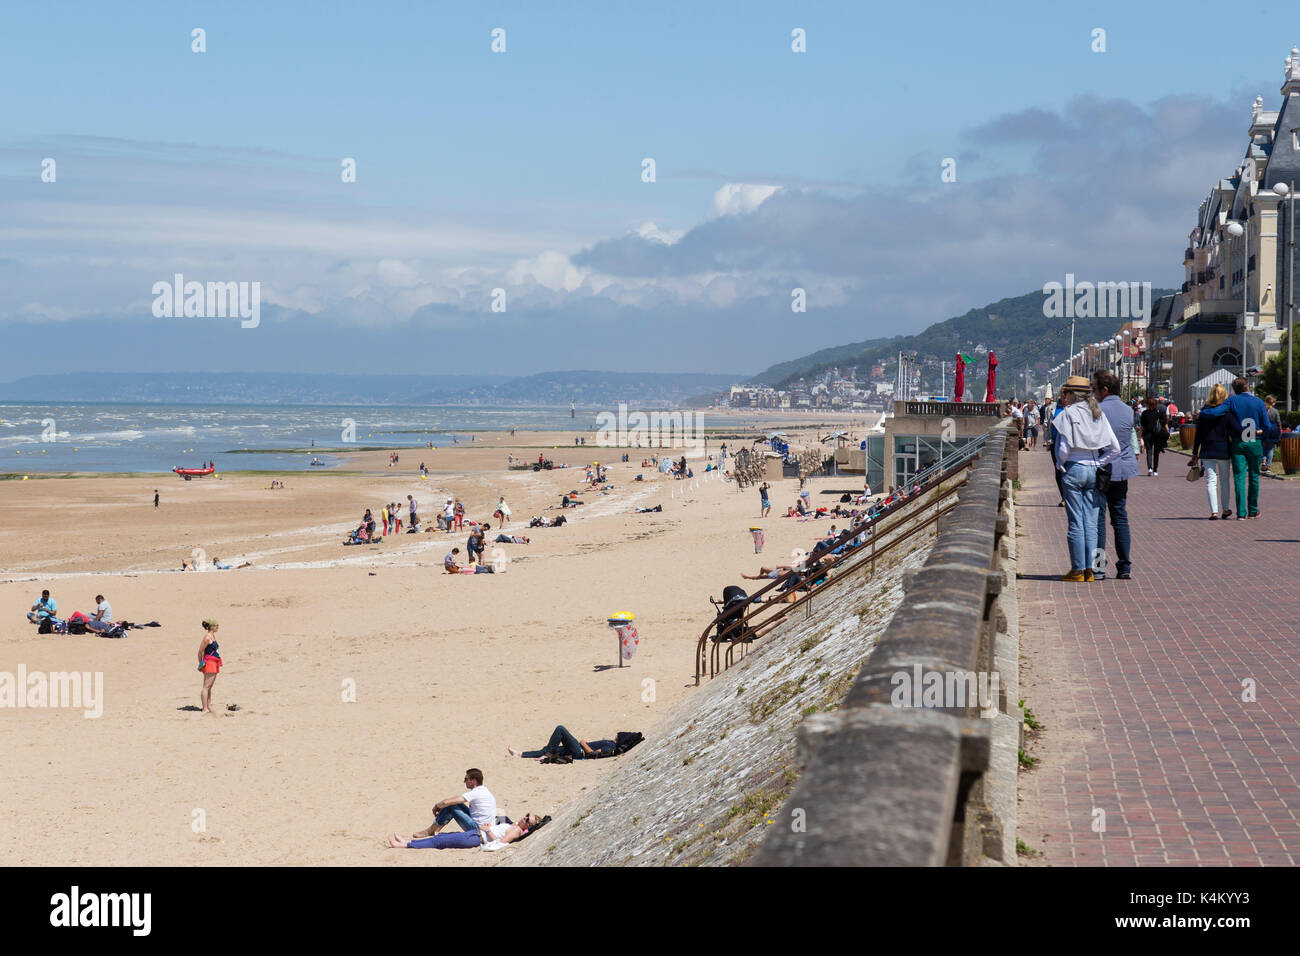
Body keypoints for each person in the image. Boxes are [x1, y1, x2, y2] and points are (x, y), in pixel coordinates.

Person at [1054, 375, 1121, 582]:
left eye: (1065, 392)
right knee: (1092, 523)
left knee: (1076, 522)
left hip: (1074, 468)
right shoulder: (1098, 412)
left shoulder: (1068, 413)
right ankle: (1091, 570)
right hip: (1094, 470)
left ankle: (1077, 570)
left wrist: (1060, 463)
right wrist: (1099, 462)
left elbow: (1063, 448)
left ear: (1071, 394)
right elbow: (1115, 448)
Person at [1091, 371, 1138, 580]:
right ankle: (1125, 565)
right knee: (1120, 517)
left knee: (1098, 519)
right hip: (1122, 470)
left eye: (1095, 389)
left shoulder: (1098, 410)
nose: (1094, 393)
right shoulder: (1128, 410)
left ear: (1105, 389)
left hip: (1102, 469)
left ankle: (1099, 567)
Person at [1225, 377, 1277, 519]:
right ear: (1247, 387)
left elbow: (1222, 414)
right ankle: (1253, 509)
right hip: (1255, 442)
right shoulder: (1259, 402)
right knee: (1254, 476)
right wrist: (1260, 432)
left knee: (1239, 477)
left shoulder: (1231, 401)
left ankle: (1241, 512)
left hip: (1238, 441)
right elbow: (1267, 425)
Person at [1189, 383, 1233, 519]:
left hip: (1207, 449)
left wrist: (1195, 453)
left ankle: (1214, 511)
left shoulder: (1203, 413)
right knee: (1224, 480)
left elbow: (1198, 435)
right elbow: (1232, 431)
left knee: (1211, 481)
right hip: (1223, 449)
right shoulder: (1227, 413)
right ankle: (1225, 509)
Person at [410, 769, 497, 838]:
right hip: (486, 826)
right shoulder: (485, 791)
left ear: (473, 781)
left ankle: (430, 830)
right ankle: (435, 829)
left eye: (466, 779)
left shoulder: (475, 793)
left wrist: (436, 806)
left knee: (450, 805)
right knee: (455, 804)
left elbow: (446, 802)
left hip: (478, 829)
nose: (464, 781)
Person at [388, 813, 543, 849]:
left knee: (441, 841)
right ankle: (409, 842)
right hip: (475, 833)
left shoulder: (515, 832)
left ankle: (405, 845)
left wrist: (488, 830)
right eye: (526, 815)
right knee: (442, 837)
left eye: (527, 820)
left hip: (477, 839)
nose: (525, 818)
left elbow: (499, 842)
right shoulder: (514, 825)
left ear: (528, 826)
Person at [507, 726, 618, 761]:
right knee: (548, 747)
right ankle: (520, 754)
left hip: (579, 751)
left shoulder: (611, 745)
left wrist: (583, 743)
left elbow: (592, 754)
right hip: (576, 749)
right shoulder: (610, 743)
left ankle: (548, 754)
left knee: (560, 729)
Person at [1138, 396, 1168, 476]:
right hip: (1157, 434)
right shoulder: (1159, 413)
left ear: (1147, 404)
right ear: (1156, 404)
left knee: (1149, 452)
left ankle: (1150, 468)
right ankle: (1155, 470)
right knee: (1156, 453)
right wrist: (1167, 432)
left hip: (1147, 435)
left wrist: (1140, 436)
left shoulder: (1144, 413)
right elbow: (1164, 423)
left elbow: (1142, 426)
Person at [197, 619, 222, 714]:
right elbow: (200, 652)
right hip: (209, 662)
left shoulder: (212, 636)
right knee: (206, 686)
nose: (218, 627)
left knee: (209, 686)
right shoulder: (207, 637)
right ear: (211, 626)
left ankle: (209, 705)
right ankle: (204, 708)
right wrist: (200, 664)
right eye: (216, 625)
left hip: (215, 661)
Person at [1262, 395, 1282, 473]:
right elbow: (1278, 422)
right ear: (1272, 403)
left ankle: (1263, 461)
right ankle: (1268, 466)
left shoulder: (1263, 410)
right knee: (1270, 448)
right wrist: (1280, 431)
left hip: (1264, 429)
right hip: (1273, 429)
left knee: (1263, 447)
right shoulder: (1275, 411)